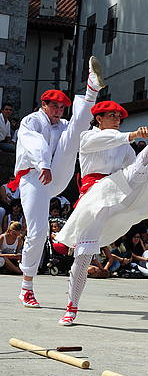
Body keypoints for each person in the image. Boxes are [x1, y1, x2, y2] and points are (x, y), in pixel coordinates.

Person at [54, 79, 148, 325]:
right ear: (98, 118)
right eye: (112, 115)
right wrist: (130, 134)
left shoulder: (124, 145)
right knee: (84, 254)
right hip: (94, 196)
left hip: (118, 188)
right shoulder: (88, 137)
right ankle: (72, 306)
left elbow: (136, 167)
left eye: (119, 116)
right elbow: (110, 139)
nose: (117, 119)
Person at [11, 57, 104, 308]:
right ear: (44, 105)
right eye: (55, 107)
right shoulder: (32, 121)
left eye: (63, 107)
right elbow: (33, 144)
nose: (60, 111)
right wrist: (43, 165)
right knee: (39, 231)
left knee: (76, 129)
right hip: (34, 177)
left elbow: (80, 134)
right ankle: (26, 287)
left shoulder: (64, 124)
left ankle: (91, 89)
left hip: (56, 175)